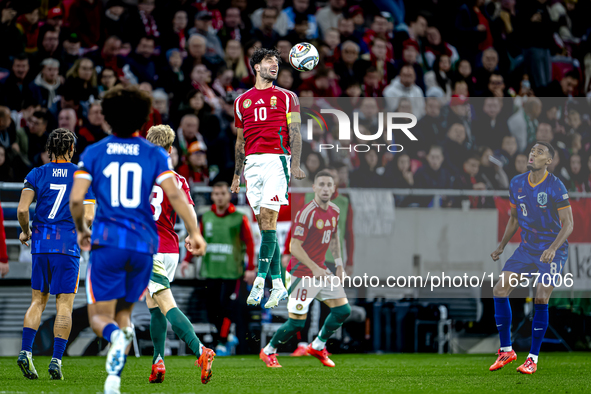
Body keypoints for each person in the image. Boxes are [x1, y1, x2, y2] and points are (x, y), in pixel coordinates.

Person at [69, 86, 208, 393]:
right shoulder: (154, 157)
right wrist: (195, 233)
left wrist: (81, 229)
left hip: (108, 244)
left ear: (106, 118)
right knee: (133, 309)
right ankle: (116, 379)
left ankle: (122, 344)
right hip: (145, 248)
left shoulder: (94, 151)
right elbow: (175, 195)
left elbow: (77, 200)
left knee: (102, 317)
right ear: (144, 117)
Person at [16, 128, 96, 380]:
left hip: (41, 245)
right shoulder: (81, 175)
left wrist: (25, 232)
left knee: (37, 301)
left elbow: (21, 209)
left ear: (50, 148)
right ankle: (56, 359)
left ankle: (25, 352)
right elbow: (90, 215)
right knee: (64, 304)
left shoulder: (36, 173)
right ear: (72, 149)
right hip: (67, 246)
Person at [490, 142, 574, 374]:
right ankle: (506, 350)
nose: (533, 154)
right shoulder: (516, 183)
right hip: (527, 248)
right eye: (532, 150)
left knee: (540, 297)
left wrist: (554, 248)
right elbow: (515, 219)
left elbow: (569, 224)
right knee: (499, 290)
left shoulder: (556, 186)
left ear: (549, 161)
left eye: (540, 152)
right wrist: (501, 246)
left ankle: (533, 358)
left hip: (552, 249)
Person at [231, 48, 305, 308]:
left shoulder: (288, 97)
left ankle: (260, 282)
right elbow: (240, 142)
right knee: (265, 226)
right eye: (268, 63)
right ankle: (280, 285)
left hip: (277, 161)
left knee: (270, 219)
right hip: (252, 165)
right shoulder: (242, 101)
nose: (274, 67)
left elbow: (295, 132)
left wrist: (295, 164)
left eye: (277, 63)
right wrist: (236, 175)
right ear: (256, 67)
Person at [260, 170, 351, 368]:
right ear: (314, 188)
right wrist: (314, 268)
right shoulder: (306, 212)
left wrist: (340, 265)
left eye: (329, 185)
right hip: (301, 273)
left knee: (343, 310)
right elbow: (294, 246)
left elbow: (334, 239)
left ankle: (317, 345)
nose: (326, 188)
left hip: (320, 271)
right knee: (297, 323)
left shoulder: (334, 211)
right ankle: (268, 351)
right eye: (322, 185)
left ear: (334, 189)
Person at [143, 125, 209, 384]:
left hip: (149, 250)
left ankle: (200, 350)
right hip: (171, 249)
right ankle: (158, 362)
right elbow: (189, 211)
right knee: (154, 305)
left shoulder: (140, 176)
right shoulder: (177, 179)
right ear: (171, 150)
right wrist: (193, 235)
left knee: (165, 302)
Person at [183, 181, 255, 356]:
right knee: (212, 308)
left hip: (232, 272)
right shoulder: (206, 217)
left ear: (229, 195)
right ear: (212, 196)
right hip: (211, 270)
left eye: (223, 193)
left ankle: (222, 342)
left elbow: (250, 243)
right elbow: (196, 239)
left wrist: (251, 268)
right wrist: (187, 260)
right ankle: (225, 338)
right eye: (216, 193)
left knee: (227, 306)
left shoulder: (239, 218)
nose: (220, 197)